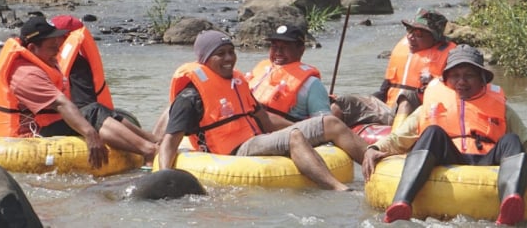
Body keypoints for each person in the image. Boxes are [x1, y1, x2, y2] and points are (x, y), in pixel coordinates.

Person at [364, 44, 527, 225]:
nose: (461, 82)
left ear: (482, 78)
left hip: (488, 160)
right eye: (455, 76)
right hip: (448, 157)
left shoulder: (501, 108)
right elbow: (400, 138)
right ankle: (401, 203)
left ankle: (510, 204)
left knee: (511, 140)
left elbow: (526, 138)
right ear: (446, 78)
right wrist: (375, 148)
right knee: (432, 132)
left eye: (469, 75)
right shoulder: (431, 106)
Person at [159, 30, 377, 190]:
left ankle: (376, 163)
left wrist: (314, 135)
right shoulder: (191, 96)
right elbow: (170, 140)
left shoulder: (236, 82)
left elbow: (262, 117)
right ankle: (339, 190)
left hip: (256, 138)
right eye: (221, 54)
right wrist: (162, 177)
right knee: (294, 137)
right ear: (205, 59)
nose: (229, 59)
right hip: (233, 150)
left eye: (231, 52)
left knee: (330, 123)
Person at [0, 16, 161, 157]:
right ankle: (149, 152)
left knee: (97, 111)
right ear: (32, 48)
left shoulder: (37, 62)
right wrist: (89, 133)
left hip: (40, 121)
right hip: (33, 132)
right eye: (52, 48)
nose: (57, 53)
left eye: (59, 46)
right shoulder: (26, 73)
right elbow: (61, 103)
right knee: (92, 112)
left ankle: (150, 140)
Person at [332, 8, 456, 130]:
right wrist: (365, 102)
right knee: (345, 101)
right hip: (390, 111)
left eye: (419, 35)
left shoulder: (451, 58)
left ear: (435, 38)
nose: (411, 37)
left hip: (422, 115)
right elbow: (383, 91)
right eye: (409, 30)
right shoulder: (402, 52)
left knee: (408, 97)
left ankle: (394, 142)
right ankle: (327, 140)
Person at [246, 24, 332, 122]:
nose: (278, 52)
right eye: (274, 46)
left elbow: (324, 124)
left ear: (301, 50)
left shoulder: (312, 84)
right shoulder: (261, 71)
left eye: (285, 47)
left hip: (286, 133)